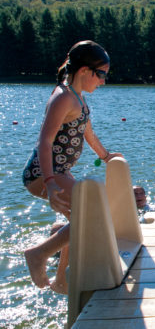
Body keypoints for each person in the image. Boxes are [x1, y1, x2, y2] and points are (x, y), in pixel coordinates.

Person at [22, 40, 121, 294]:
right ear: (85, 71)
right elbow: (44, 141)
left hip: (59, 173)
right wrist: (50, 183)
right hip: (45, 174)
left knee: (83, 219)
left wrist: (107, 155)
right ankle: (38, 254)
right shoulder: (63, 98)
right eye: (101, 75)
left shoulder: (78, 99)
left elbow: (88, 134)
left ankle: (63, 280)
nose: (103, 81)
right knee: (90, 217)